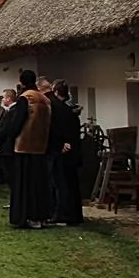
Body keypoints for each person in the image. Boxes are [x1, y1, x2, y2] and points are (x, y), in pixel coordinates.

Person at [0, 70, 52, 229]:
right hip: (41, 147)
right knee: (39, 184)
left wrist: (8, 137)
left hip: (24, 147)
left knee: (24, 185)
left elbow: (17, 122)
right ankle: (41, 216)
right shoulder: (45, 99)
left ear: (21, 81)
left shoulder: (25, 98)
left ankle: (26, 216)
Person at [47, 79, 84, 226]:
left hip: (62, 150)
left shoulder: (56, 108)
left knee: (61, 184)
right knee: (71, 183)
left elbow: (56, 129)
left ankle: (62, 214)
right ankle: (74, 215)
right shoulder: (69, 108)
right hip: (72, 150)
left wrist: (62, 143)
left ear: (55, 91)